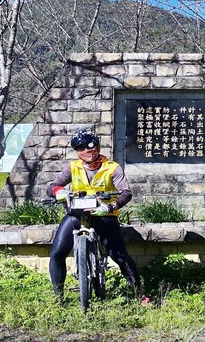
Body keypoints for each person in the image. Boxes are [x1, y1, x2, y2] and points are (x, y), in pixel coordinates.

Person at [46, 129, 149, 304]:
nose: (87, 151)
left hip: (104, 215)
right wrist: (59, 191)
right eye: (81, 148)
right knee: (56, 253)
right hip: (76, 214)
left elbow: (126, 193)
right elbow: (53, 185)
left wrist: (112, 205)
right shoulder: (72, 167)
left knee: (119, 256)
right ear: (77, 152)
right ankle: (58, 296)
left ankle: (140, 294)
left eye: (91, 147)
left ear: (98, 148)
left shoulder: (112, 167)